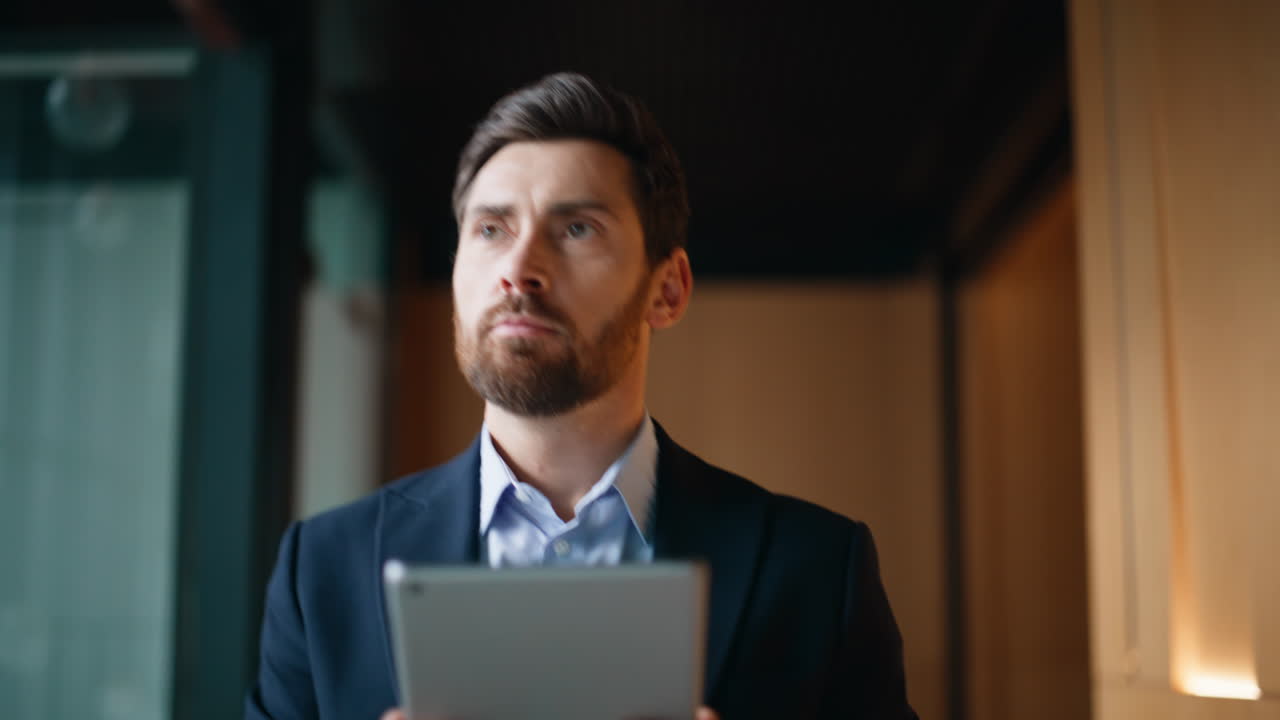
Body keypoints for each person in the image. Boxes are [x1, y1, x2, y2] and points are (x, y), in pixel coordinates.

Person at [246, 72, 917, 720]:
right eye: (490, 229)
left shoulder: (817, 570)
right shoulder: (322, 572)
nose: (519, 269)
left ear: (669, 288)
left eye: (576, 229)